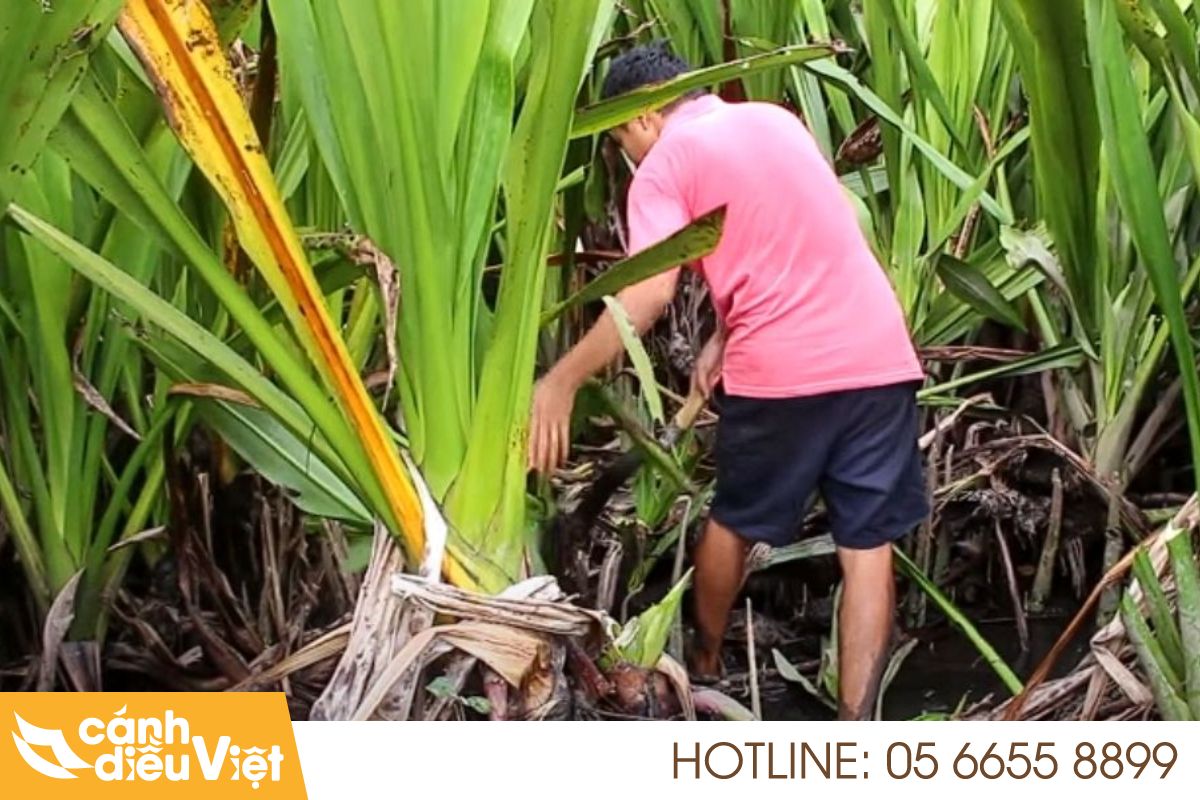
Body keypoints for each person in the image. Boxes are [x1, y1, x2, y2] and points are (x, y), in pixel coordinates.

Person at [527, 42, 929, 720]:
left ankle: (708, 669)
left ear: (647, 115)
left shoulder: (662, 167)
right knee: (868, 550)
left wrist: (560, 381)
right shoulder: (776, 121)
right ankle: (859, 728)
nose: (625, 150)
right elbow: (799, 232)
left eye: (620, 133)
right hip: (880, 356)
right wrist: (721, 330)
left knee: (736, 519)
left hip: (786, 373)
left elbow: (649, 293)